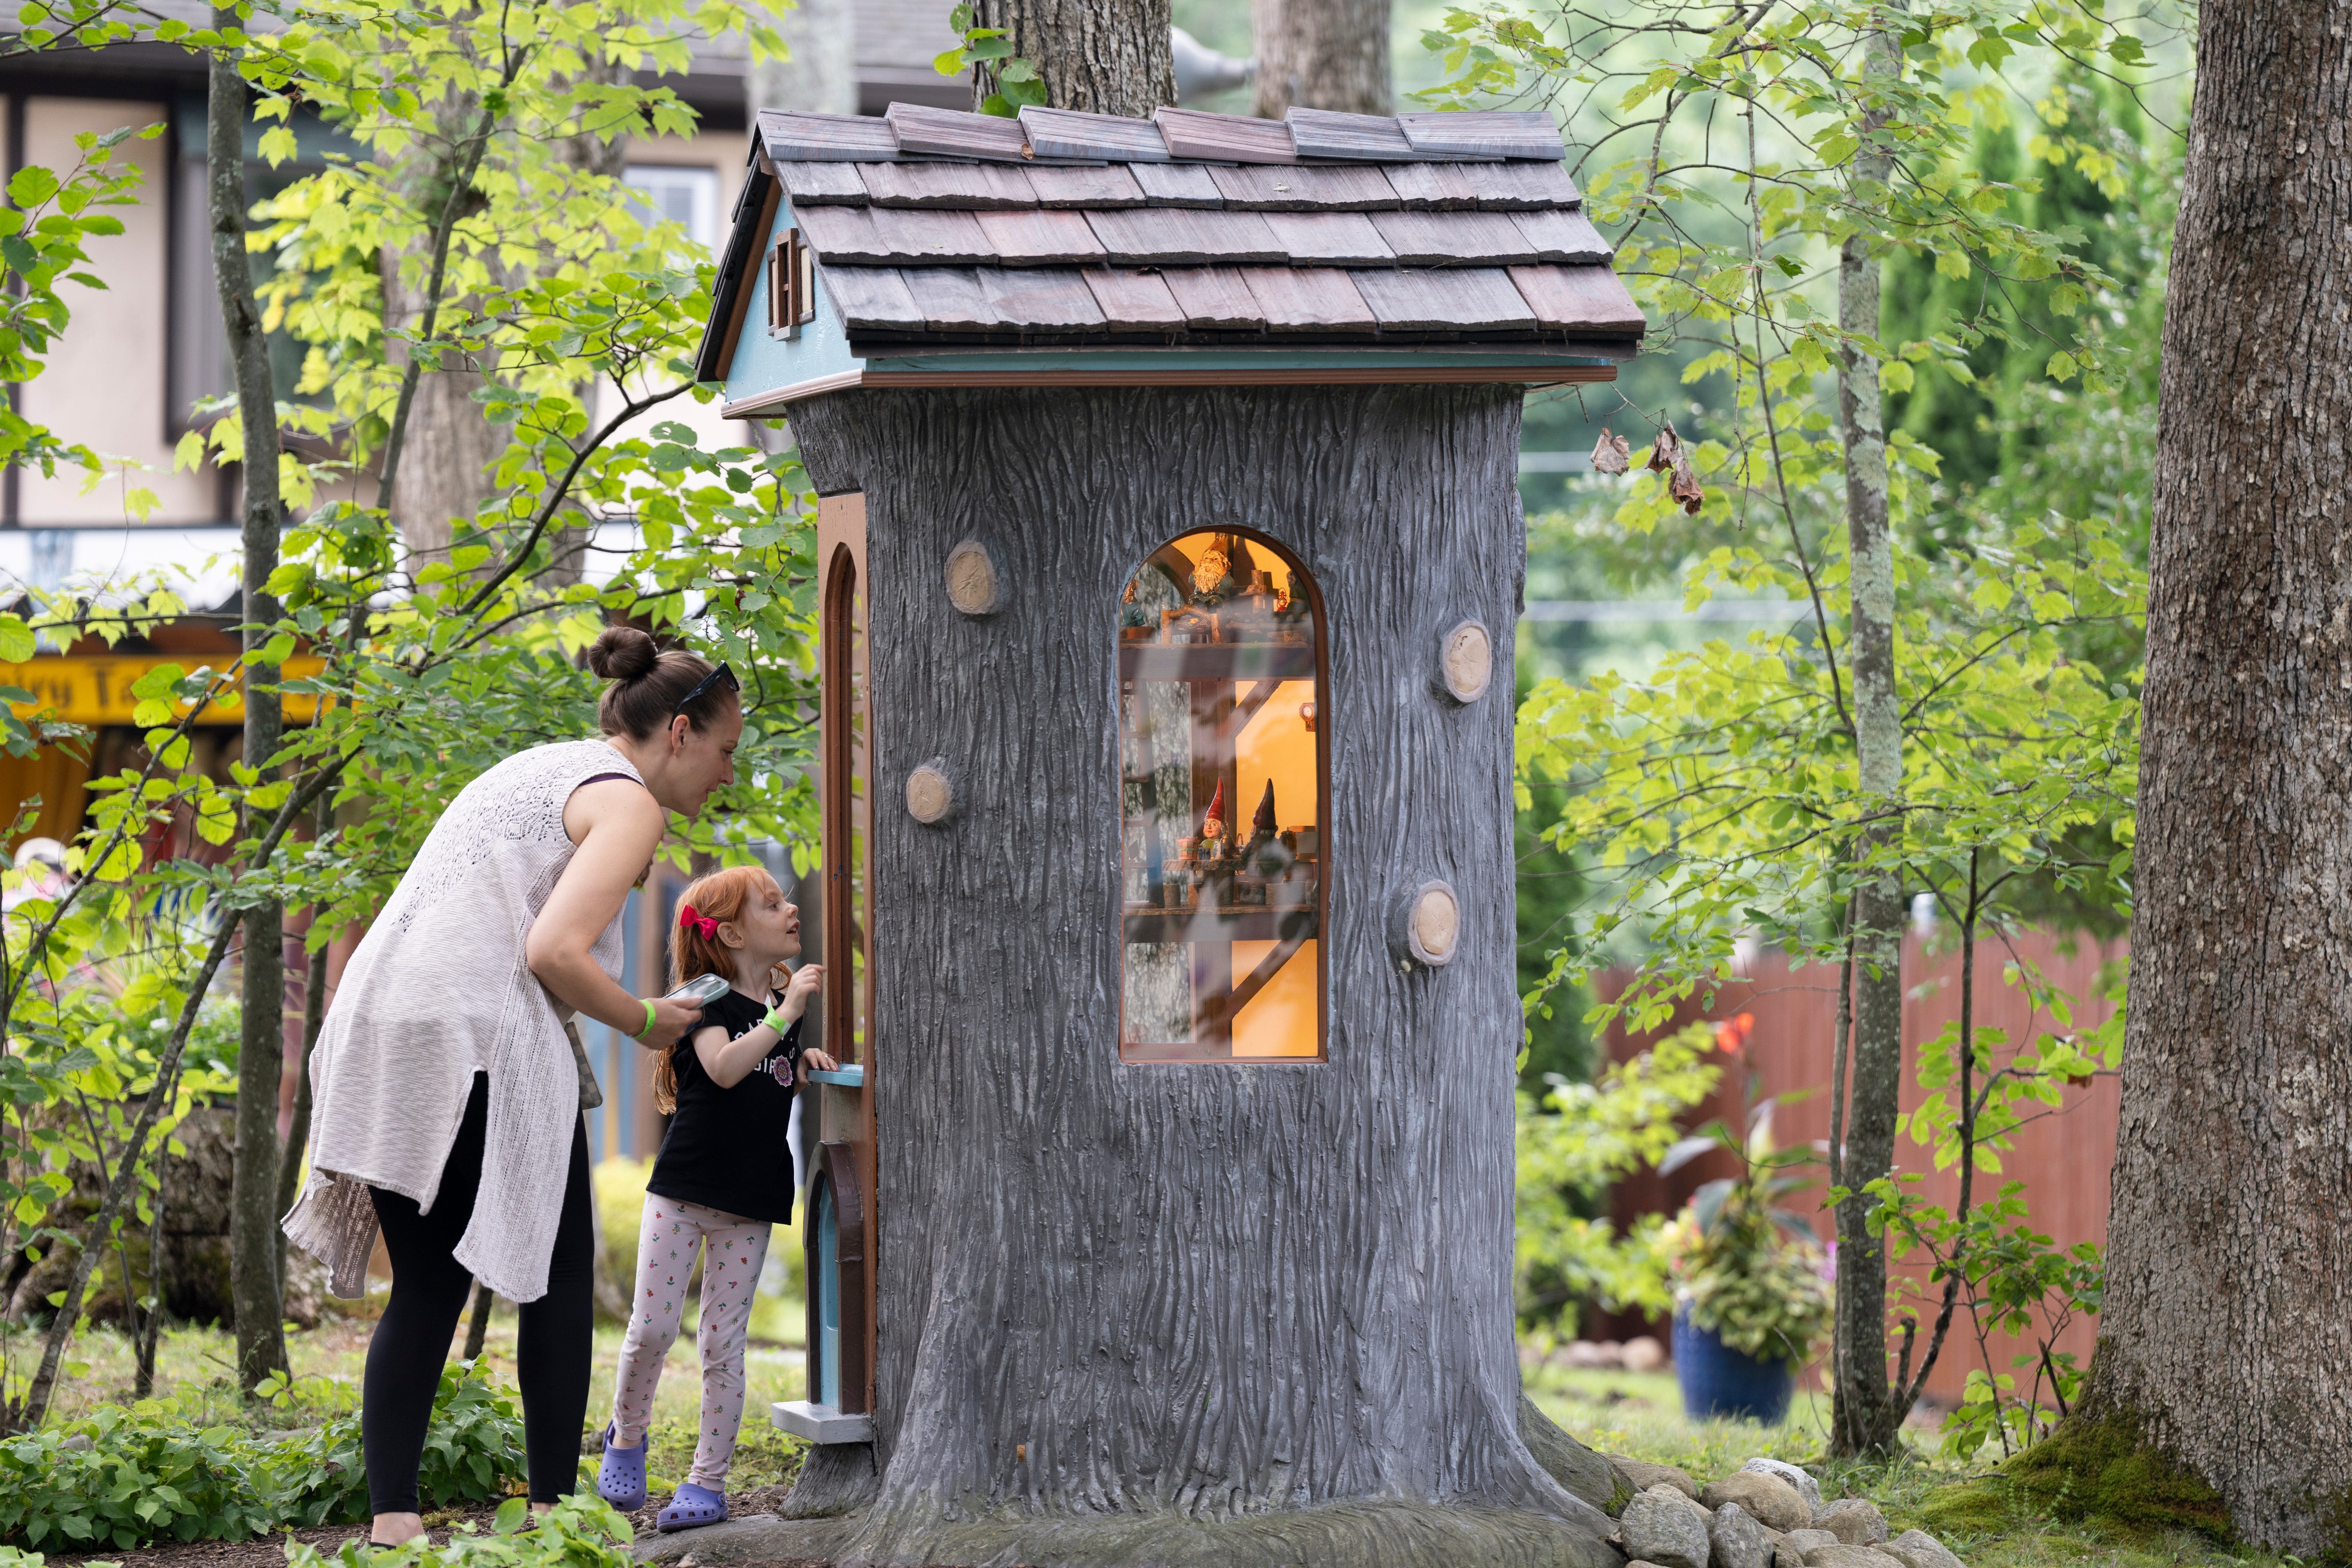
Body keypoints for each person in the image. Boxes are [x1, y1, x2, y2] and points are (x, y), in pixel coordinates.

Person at [283, 625, 740, 1547]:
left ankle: (395, 1522)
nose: (726, 774)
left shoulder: (546, 766)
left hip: (382, 1020)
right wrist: (647, 1018)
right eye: (726, 749)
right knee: (562, 1268)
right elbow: (551, 951)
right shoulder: (627, 803)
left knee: (424, 1282)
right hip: (468, 1029)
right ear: (681, 731)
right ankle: (548, 1510)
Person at [594, 864, 832, 1530]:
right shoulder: (707, 999)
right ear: (729, 932)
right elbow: (726, 1067)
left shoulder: (779, 1007)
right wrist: (787, 1017)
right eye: (773, 903)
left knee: (723, 1344)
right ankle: (628, 1435)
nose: (790, 910)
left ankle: (708, 1483)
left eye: (786, 901)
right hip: (686, 1190)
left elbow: (765, 1079)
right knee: (653, 1329)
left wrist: (801, 1066)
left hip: (751, 1198)